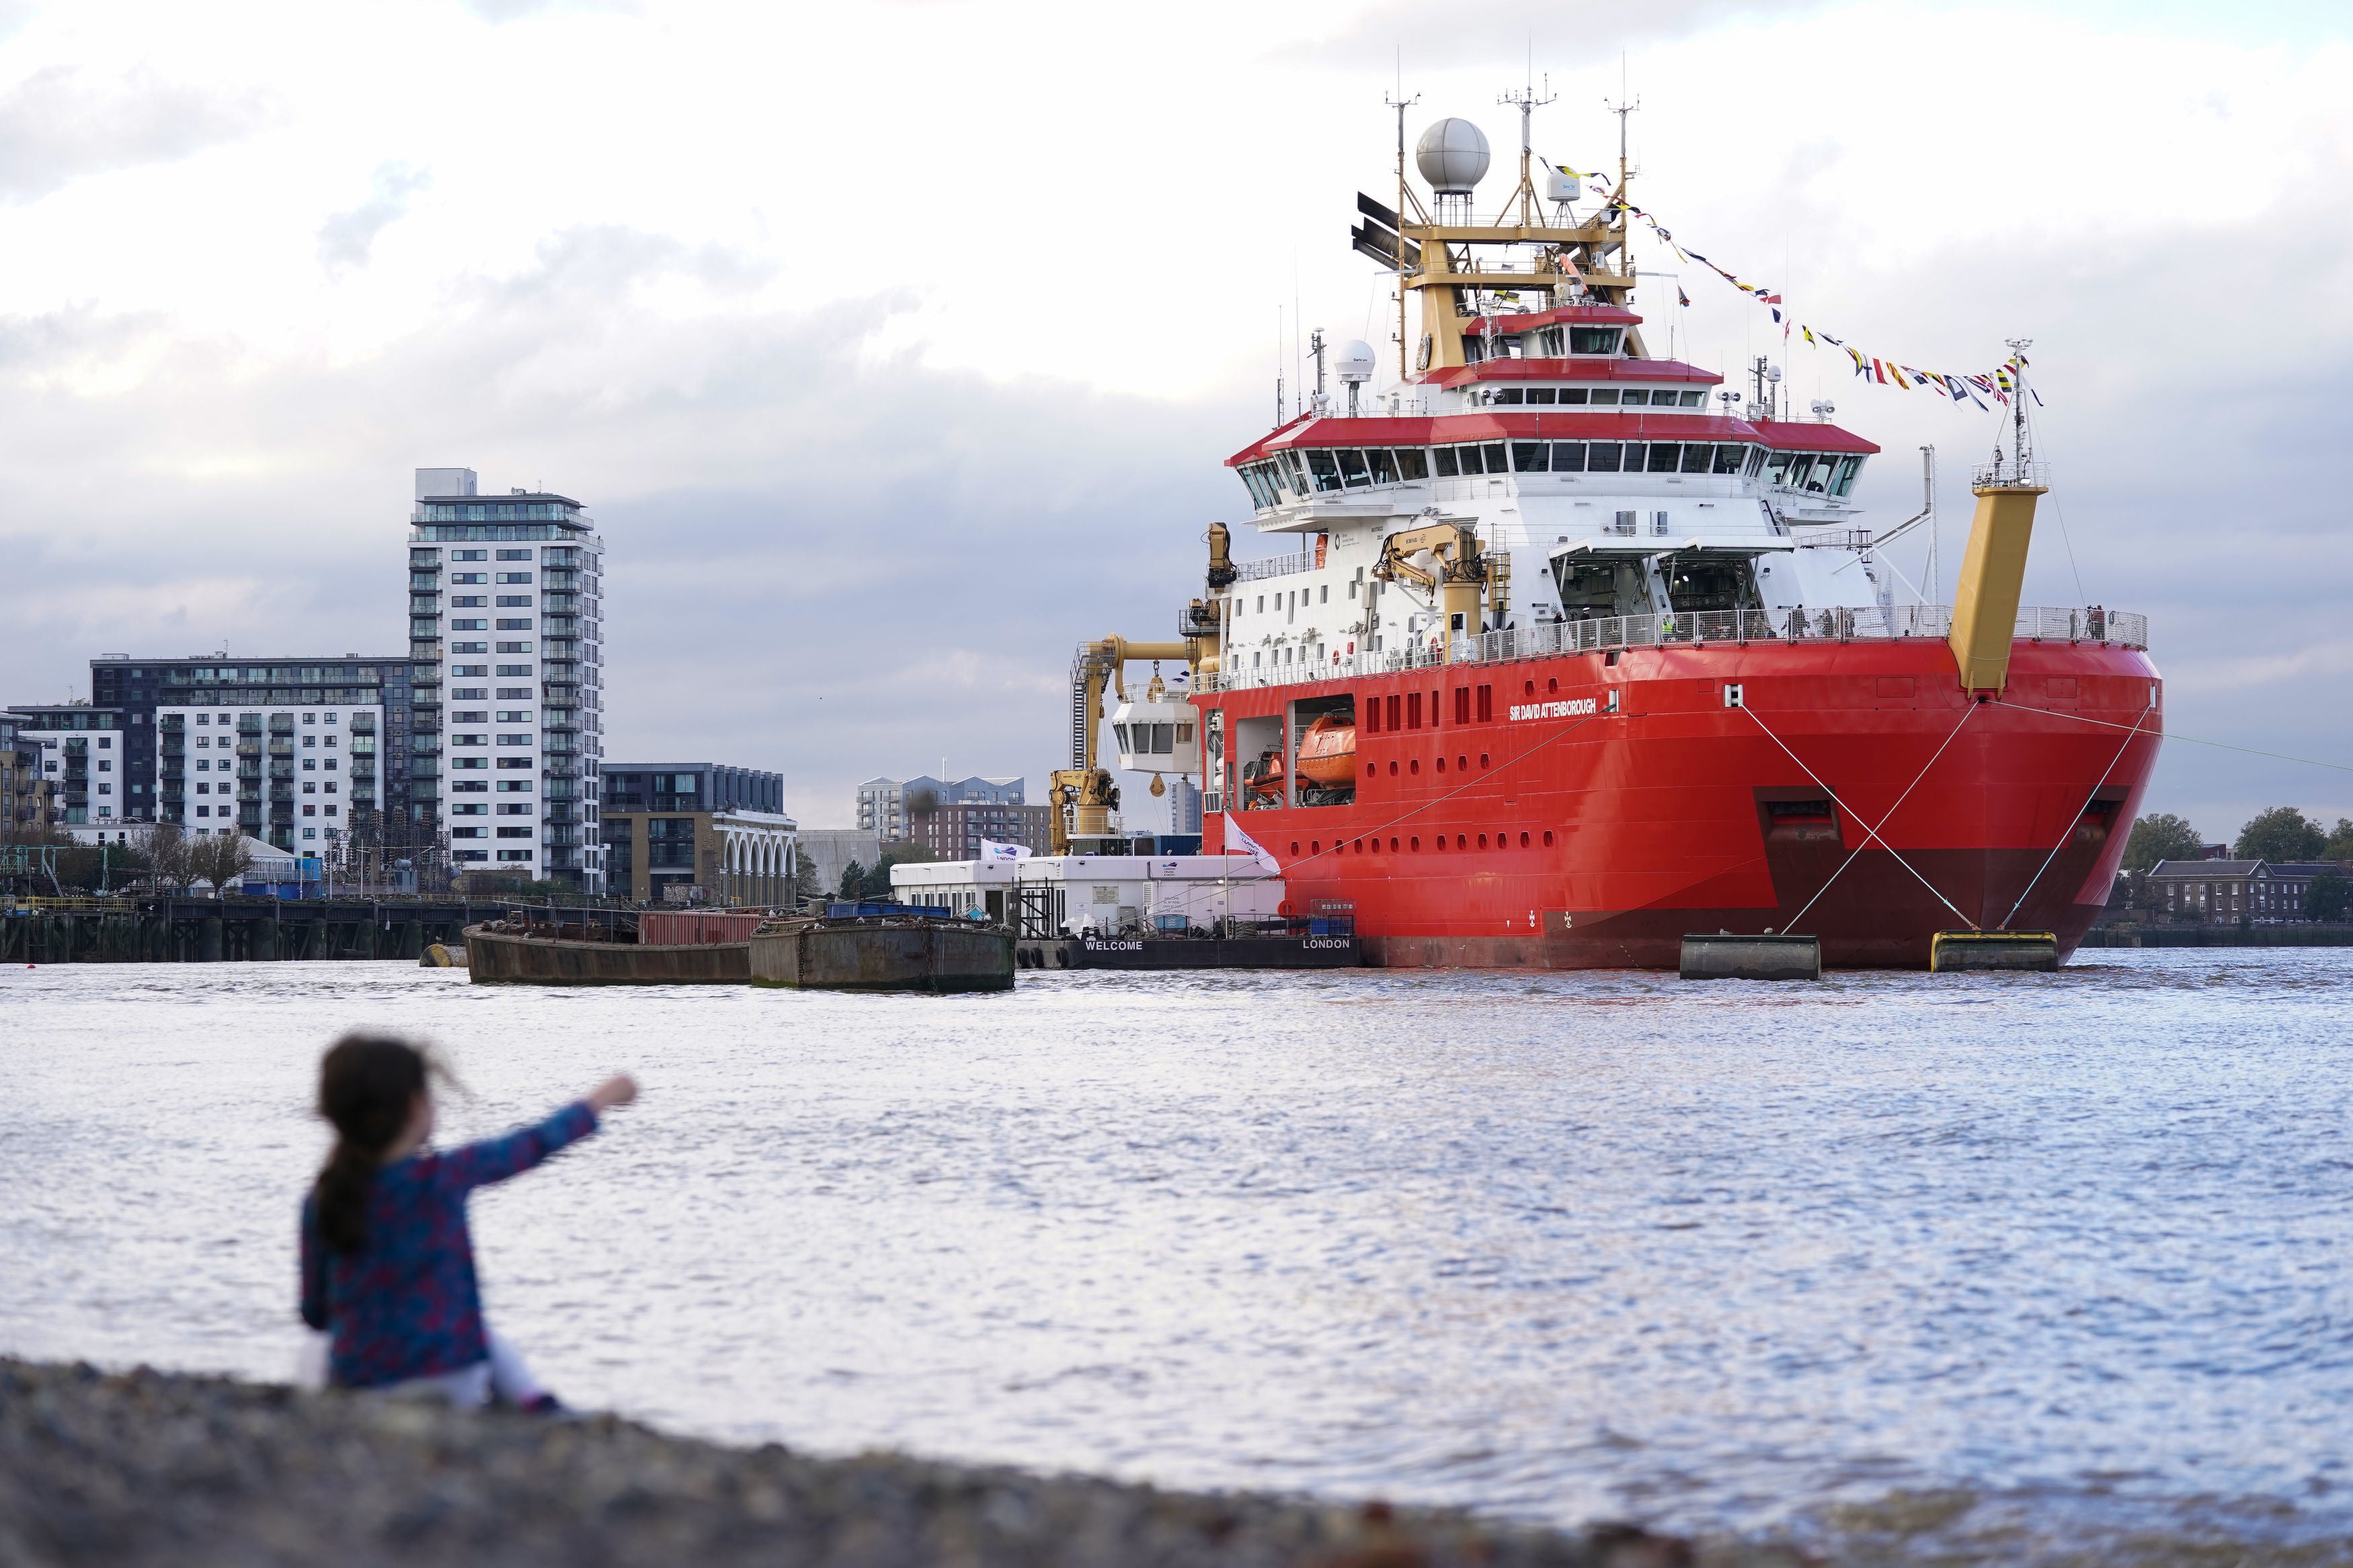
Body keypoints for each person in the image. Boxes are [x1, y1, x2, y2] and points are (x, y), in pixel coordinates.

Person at [298, 1033, 637, 1409]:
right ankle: (533, 1402)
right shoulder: (444, 1175)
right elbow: (532, 1145)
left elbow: (315, 1313)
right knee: (482, 1334)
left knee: (318, 1348)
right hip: (452, 1374)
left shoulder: (323, 1199)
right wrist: (598, 1102)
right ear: (416, 1107)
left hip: (362, 1381)